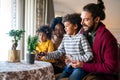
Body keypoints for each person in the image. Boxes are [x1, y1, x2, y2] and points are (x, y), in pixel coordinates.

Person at [71, 0, 118, 80]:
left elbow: (111, 68)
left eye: (86, 19)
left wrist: (83, 65)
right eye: (81, 19)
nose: (82, 23)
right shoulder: (82, 32)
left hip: (100, 75)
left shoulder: (108, 39)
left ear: (96, 20)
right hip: (83, 67)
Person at [45, 13, 93, 80]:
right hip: (68, 67)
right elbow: (59, 52)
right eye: (64, 26)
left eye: (67, 26)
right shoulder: (65, 38)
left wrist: (73, 58)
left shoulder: (81, 38)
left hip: (79, 68)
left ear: (75, 26)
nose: (65, 28)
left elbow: (89, 55)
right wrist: (46, 54)